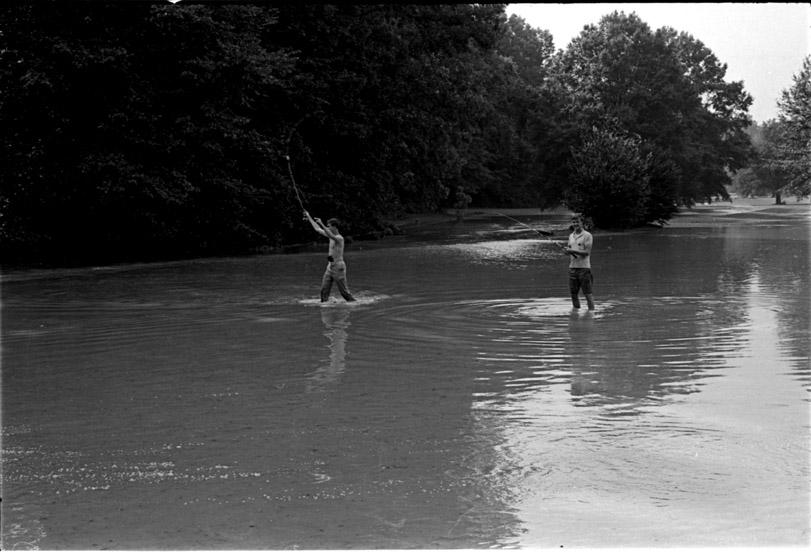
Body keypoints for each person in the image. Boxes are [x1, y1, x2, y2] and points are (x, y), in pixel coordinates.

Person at [304, 211, 356, 302]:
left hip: (338, 268)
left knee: (345, 294)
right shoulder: (330, 236)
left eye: (329, 226)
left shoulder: (339, 238)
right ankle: (325, 309)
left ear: (334, 227)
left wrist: (321, 223)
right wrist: (309, 217)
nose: (328, 227)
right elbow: (318, 229)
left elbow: (330, 235)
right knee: (323, 292)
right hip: (330, 267)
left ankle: (355, 304)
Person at [564, 214, 594, 310]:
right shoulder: (571, 236)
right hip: (572, 268)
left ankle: (591, 316)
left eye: (577, 222)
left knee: (588, 295)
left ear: (582, 223)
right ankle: (576, 315)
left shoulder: (587, 235)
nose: (575, 224)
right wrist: (566, 252)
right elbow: (569, 250)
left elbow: (587, 253)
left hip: (584, 269)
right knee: (573, 294)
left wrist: (572, 251)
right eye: (574, 222)